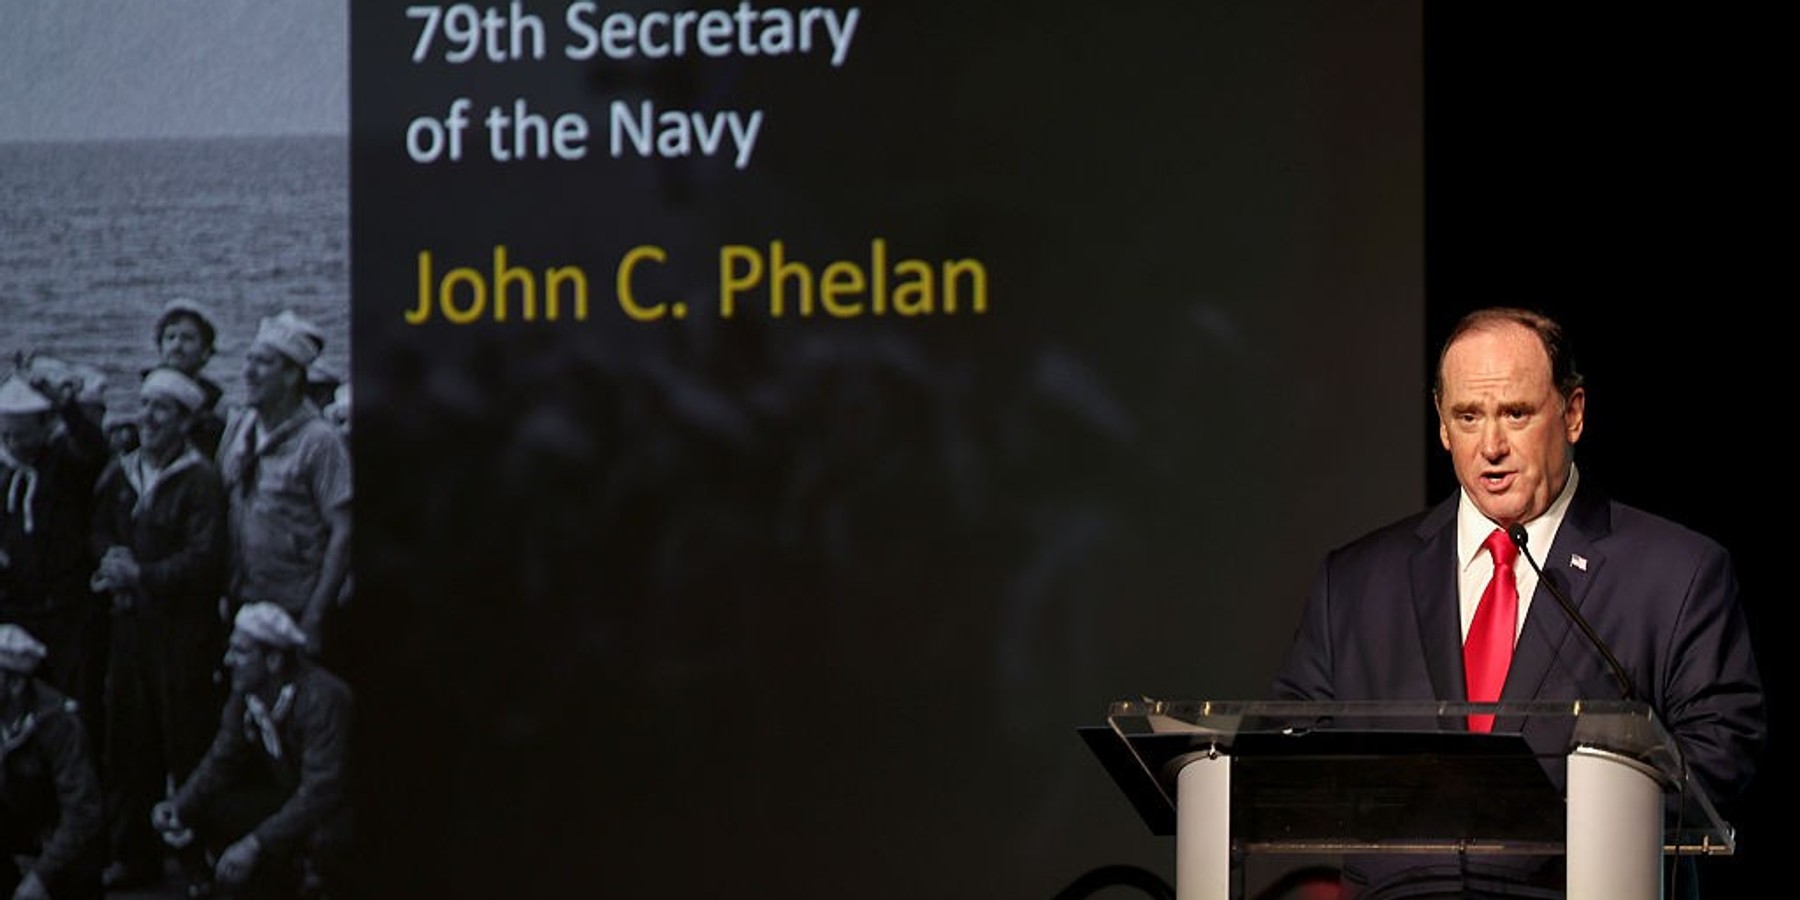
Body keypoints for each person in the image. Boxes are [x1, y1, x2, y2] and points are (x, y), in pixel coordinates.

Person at [1271, 306, 1766, 898]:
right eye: (1469, 417)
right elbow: (1287, 755)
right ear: (1442, 425)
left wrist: (1548, 814)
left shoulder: (1676, 572)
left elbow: (1718, 758)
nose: (1492, 446)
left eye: (1515, 413)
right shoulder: (1354, 582)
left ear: (1573, 413)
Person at [90, 368, 231, 890]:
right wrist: (110, 560)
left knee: (186, 742)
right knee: (127, 742)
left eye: (162, 409)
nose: (147, 417)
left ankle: (196, 857)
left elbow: (204, 558)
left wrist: (143, 576)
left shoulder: (200, 480)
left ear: (185, 421)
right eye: (145, 405)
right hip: (129, 630)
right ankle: (133, 854)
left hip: (182, 636)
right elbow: (99, 526)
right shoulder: (121, 471)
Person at [152, 603, 352, 900]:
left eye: (240, 652)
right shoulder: (245, 693)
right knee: (212, 809)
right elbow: (221, 758)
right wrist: (179, 806)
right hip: (289, 800)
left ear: (272, 659)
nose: (228, 660)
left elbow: (321, 791)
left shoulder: (323, 698)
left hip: (330, 812)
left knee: (324, 841)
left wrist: (255, 844)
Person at [215, 312, 352, 657]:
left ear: (292, 374)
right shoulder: (239, 429)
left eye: (263, 363)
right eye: (249, 360)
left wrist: (315, 616)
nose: (248, 372)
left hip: (294, 606)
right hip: (241, 599)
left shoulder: (320, 442)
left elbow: (343, 531)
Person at [0, 372, 110, 746]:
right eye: (5, 435)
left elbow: (95, 449)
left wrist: (66, 405)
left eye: (21, 434)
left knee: (74, 709)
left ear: (46, 426)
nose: (13, 444)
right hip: (19, 608)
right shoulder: (6, 475)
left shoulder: (68, 464)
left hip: (70, 612)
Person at [0, 624, 104, 900]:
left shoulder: (58, 723)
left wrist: (41, 875)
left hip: (59, 849)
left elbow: (83, 811)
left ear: (15, 683)